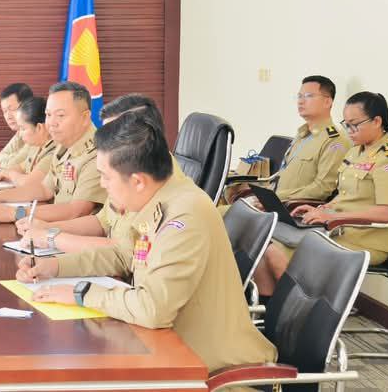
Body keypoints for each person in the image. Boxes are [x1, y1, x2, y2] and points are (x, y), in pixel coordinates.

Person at [18, 111, 277, 373]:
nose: (102, 185)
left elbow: (153, 309)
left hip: (210, 371)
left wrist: (81, 293)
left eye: (106, 176)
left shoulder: (183, 217)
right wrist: (54, 267)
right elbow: (125, 256)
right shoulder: (157, 200)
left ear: (137, 181)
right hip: (170, 353)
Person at [253, 92, 388, 297]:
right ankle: (271, 309)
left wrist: (332, 217)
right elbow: (345, 196)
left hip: (363, 240)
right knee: (265, 247)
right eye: (346, 124)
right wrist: (321, 208)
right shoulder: (355, 152)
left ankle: (299, 307)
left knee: (275, 252)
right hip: (334, 230)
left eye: (355, 124)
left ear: (377, 121)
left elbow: (387, 213)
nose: (349, 131)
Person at [17, 94, 176, 254]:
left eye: (113, 134)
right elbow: (102, 222)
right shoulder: (125, 169)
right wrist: (48, 228)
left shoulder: (158, 187)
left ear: (143, 133)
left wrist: (51, 237)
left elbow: (126, 252)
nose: (105, 141)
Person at [0, 82, 106, 223]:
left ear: (85, 117)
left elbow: (77, 211)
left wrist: (16, 213)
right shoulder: (64, 145)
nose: (51, 123)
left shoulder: (99, 154)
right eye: (48, 114)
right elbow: (44, 189)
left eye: (60, 115)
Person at [222, 75, 350, 209]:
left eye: (308, 96)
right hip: (270, 199)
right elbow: (282, 176)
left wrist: (274, 199)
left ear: (327, 102)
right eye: (299, 96)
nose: (301, 101)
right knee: (217, 208)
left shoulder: (335, 140)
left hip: (287, 207)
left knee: (219, 215)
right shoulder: (303, 134)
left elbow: (322, 189)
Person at [0, 96, 56, 187]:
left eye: (23, 128)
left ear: (39, 127)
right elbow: (21, 168)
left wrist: (9, 174)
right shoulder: (36, 146)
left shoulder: (53, 152)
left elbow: (29, 183)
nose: (20, 134)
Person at [0, 83, 34, 169]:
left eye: (12, 109)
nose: (8, 116)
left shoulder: (36, 131)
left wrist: (13, 157)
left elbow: (11, 165)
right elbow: (2, 157)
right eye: (5, 111)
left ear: (28, 106)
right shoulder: (20, 131)